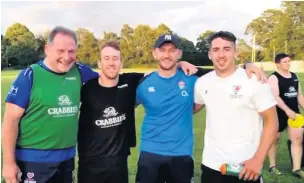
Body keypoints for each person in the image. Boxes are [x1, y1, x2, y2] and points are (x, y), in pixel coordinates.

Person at [135, 33, 266, 183]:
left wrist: (247, 65)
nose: (167, 54)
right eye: (162, 50)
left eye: (172, 50)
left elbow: (224, 69)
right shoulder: (143, 82)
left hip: (182, 154)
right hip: (150, 153)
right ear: (154, 53)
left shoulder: (193, 77)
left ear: (179, 53)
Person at [77, 41, 199, 183]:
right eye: (106, 58)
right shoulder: (86, 87)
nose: (111, 63)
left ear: (121, 63)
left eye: (115, 58)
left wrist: (179, 63)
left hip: (119, 163)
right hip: (90, 164)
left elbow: (162, 71)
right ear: (99, 63)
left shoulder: (131, 82)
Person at [1, 26, 99, 183]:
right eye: (60, 51)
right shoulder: (30, 76)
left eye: (71, 51)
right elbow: (10, 121)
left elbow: (108, 85)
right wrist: (8, 163)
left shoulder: (80, 72)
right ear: (47, 49)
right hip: (32, 161)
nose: (67, 57)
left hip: (67, 159)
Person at [194, 31, 278, 183]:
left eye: (227, 49)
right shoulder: (202, 82)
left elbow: (272, 122)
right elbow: (192, 108)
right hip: (211, 166)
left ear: (236, 52)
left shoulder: (254, 80)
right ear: (209, 54)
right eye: (216, 50)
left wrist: (258, 160)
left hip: (246, 166)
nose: (221, 55)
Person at [267, 53, 304, 178]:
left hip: (294, 114)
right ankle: (272, 166)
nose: (288, 63)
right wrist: (287, 110)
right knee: (274, 139)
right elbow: (275, 97)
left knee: (298, 139)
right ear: (277, 64)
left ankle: (297, 168)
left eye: (289, 61)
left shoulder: (294, 76)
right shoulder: (274, 77)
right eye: (285, 61)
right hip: (278, 113)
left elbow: (299, 96)